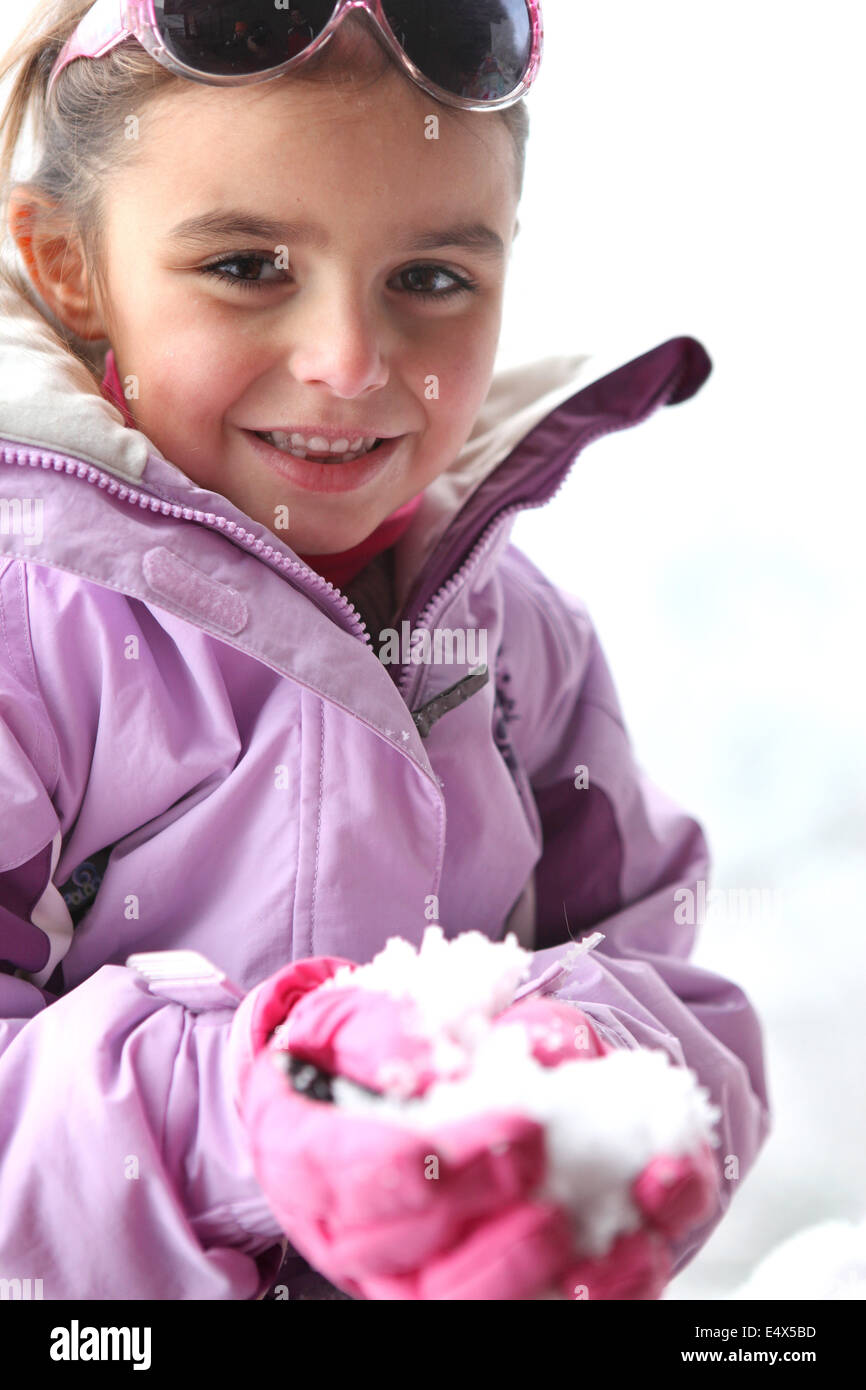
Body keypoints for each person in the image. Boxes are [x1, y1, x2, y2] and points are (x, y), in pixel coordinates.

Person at [0, 0, 770, 1300]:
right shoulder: (33, 624)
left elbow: (669, 969)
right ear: (72, 267)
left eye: (429, 279)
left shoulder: (516, 631)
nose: (350, 365)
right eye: (246, 265)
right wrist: (275, 1100)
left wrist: (575, 1071)